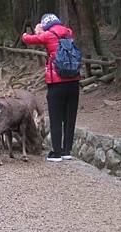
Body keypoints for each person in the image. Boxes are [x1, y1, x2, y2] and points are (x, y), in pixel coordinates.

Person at [22, 13, 81, 162]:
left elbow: (27, 39)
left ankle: (56, 153)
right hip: (74, 81)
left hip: (56, 83)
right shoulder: (68, 32)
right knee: (70, 117)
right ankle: (67, 150)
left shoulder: (47, 35)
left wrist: (35, 31)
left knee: (56, 117)